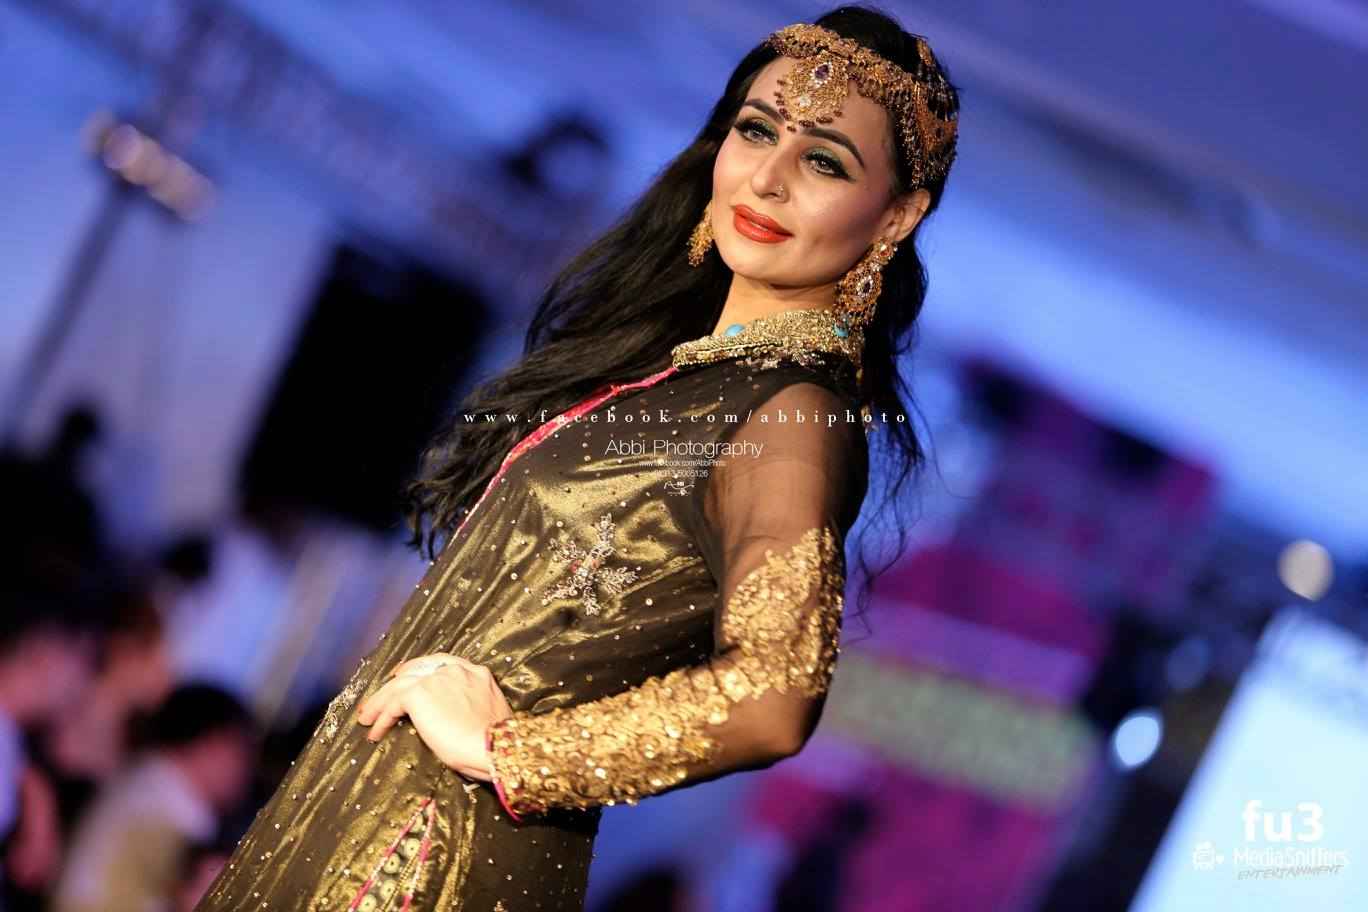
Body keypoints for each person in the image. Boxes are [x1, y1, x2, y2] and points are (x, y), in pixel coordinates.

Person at [193, 6, 959, 910]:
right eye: (757, 130)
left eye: (825, 160)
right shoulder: (685, 377)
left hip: (427, 856)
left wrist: (515, 754)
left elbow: (773, 691)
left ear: (897, 214)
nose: (769, 176)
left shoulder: (791, 413)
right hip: (366, 807)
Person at [51, 684, 257, 912]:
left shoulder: (149, 780)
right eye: (241, 756)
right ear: (212, 744)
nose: (244, 775)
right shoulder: (173, 807)